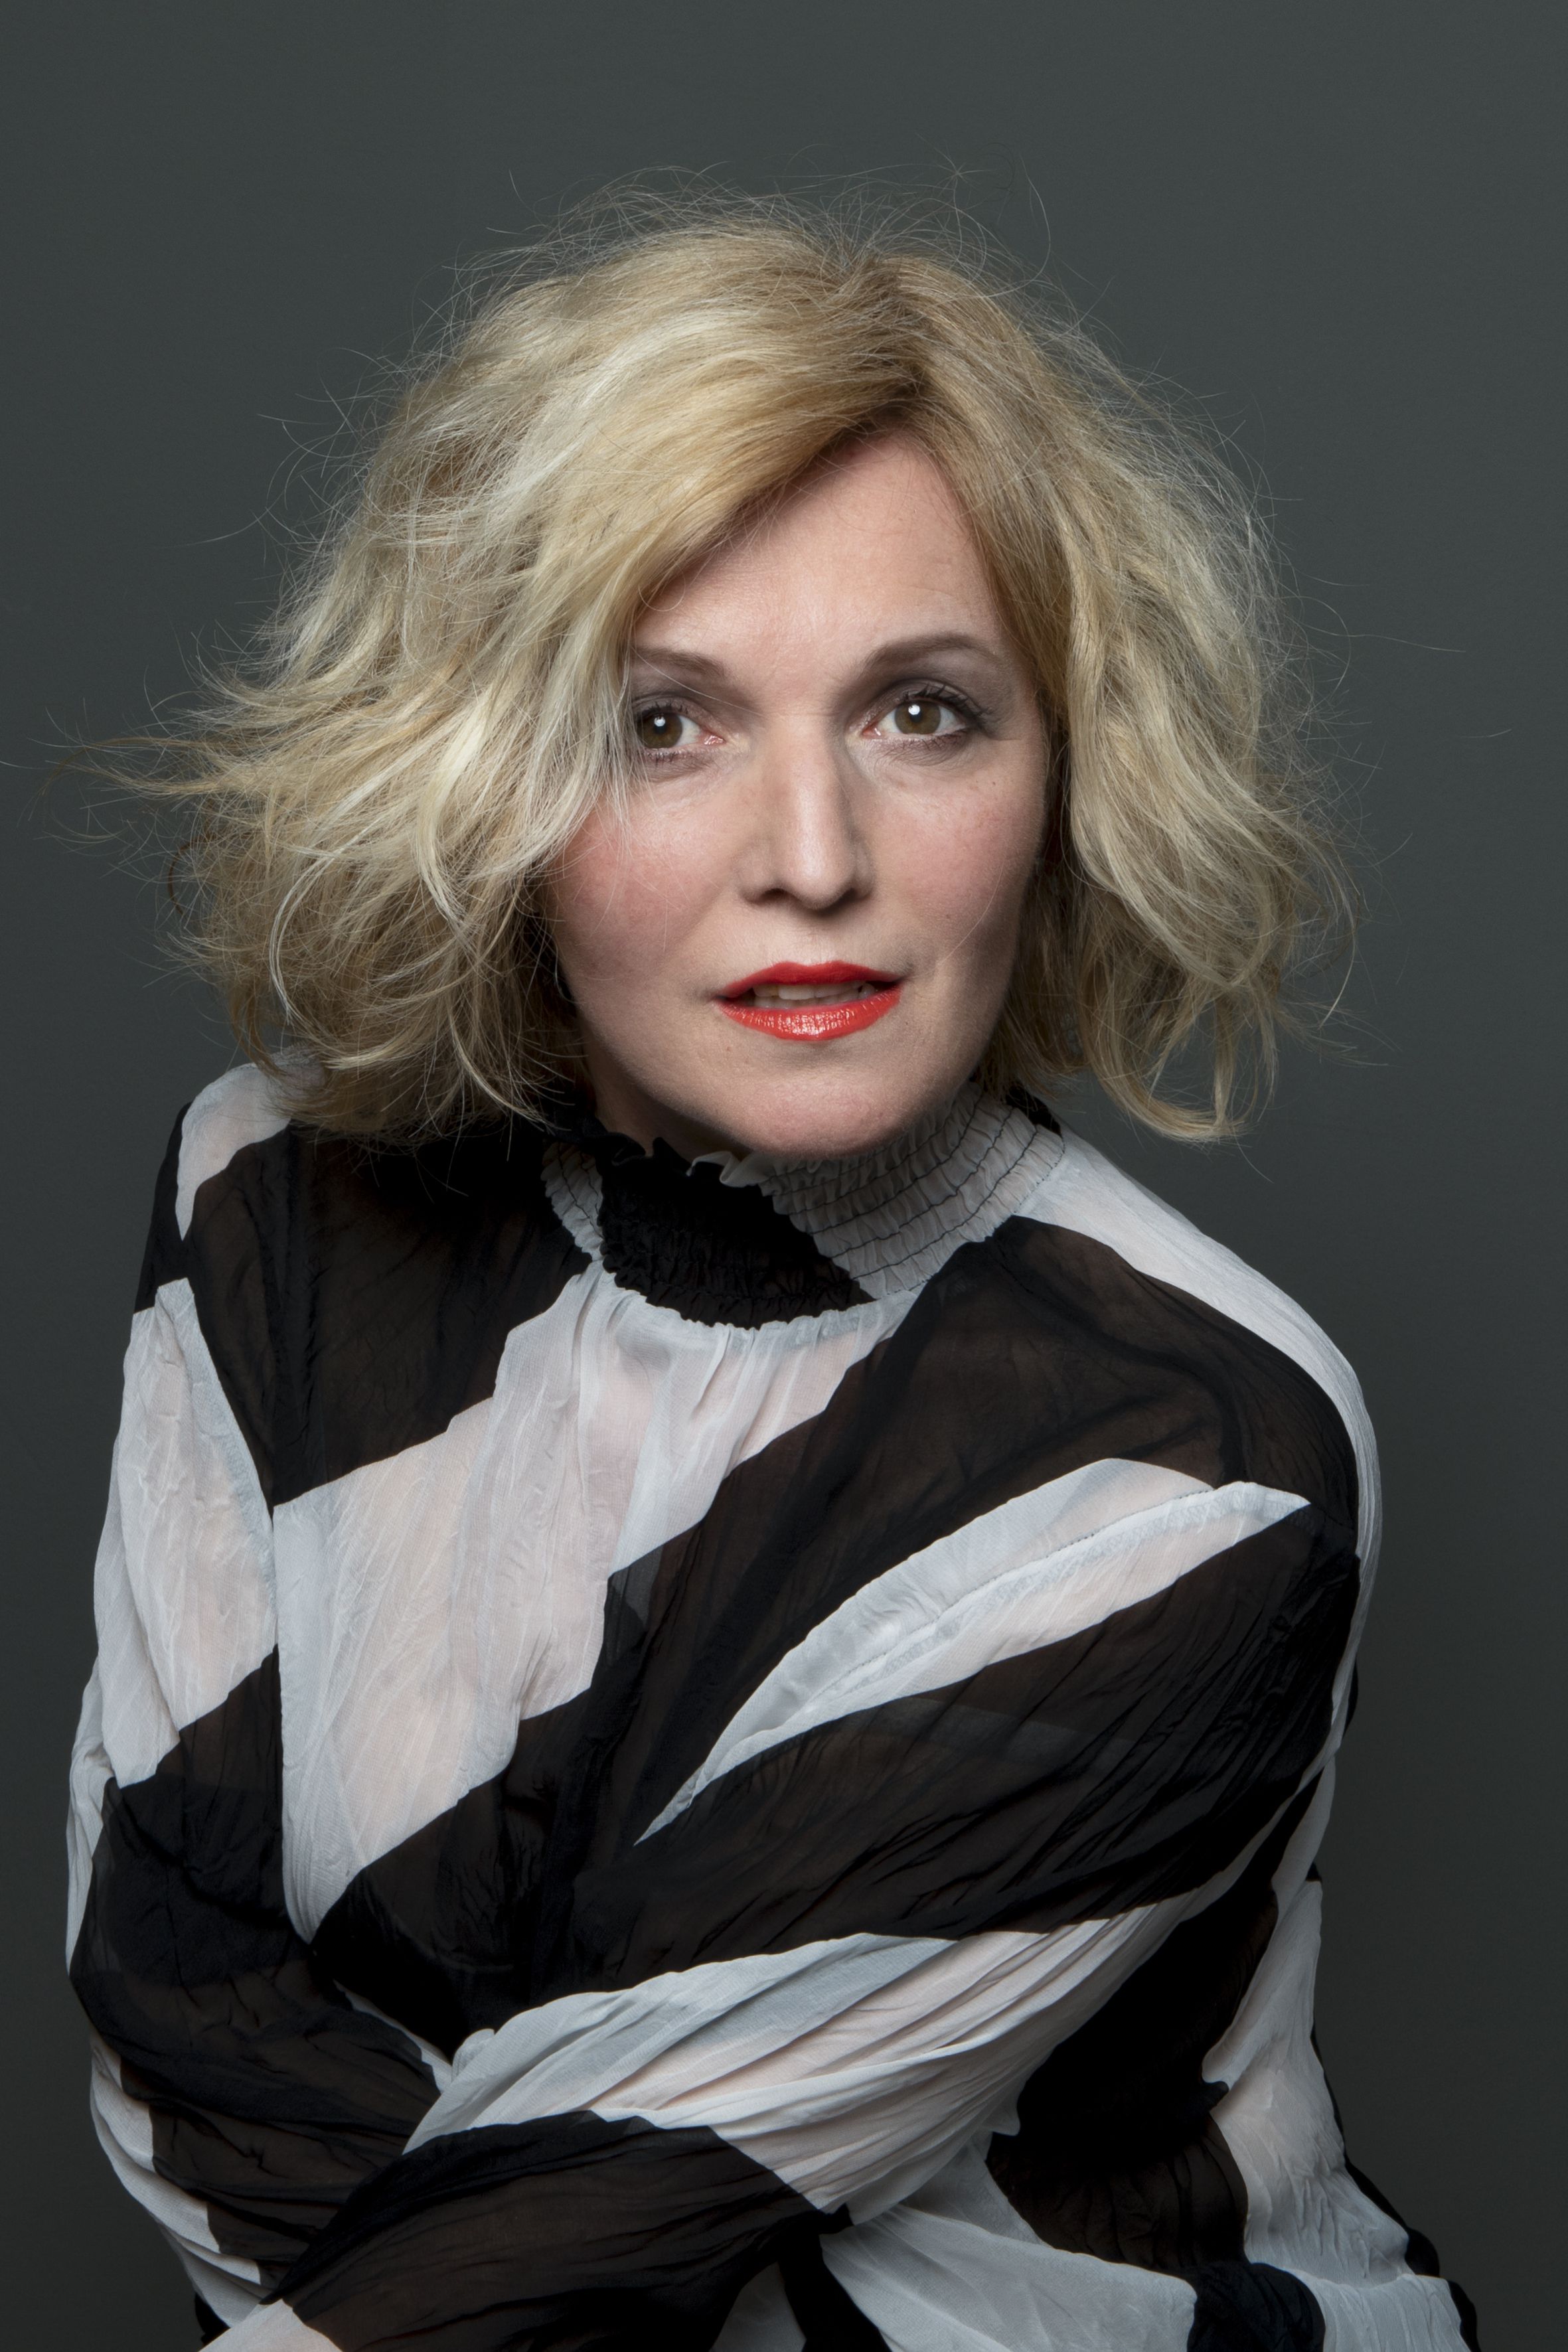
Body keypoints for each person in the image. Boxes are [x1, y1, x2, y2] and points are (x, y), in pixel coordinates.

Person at [66, 198, 1477, 2351]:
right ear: (477, 763)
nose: (810, 858)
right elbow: (182, 2013)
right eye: (662, 723)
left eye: (923, 713)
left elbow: (598, 2225)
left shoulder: (1191, 1445)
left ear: (1061, 769)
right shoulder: (267, 1197)